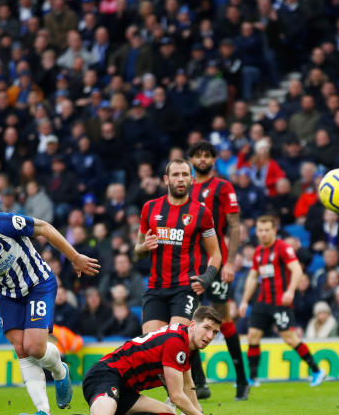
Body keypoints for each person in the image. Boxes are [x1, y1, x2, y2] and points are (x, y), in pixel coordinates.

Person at [0, 198, 101, 415]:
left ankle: (60, 370)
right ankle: (44, 414)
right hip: (8, 294)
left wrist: (74, 257)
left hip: (39, 283)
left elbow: (44, 228)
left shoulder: (2, 222)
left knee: (35, 347)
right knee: (21, 348)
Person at [11, 306, 233, 415]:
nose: (209, 336)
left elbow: (188, 385)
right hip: (106, 375)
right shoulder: (177, 342)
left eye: (214, 332)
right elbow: (176, 395)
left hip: (125, 387)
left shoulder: (186, 342)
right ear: (193, 325)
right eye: (206, 328)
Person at [187, 141, 249, 400]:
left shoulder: (223, 187)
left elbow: (234, 226)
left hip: (216, 260)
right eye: (198, 156)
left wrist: (231, 261)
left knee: (223, 319)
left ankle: (242, 380)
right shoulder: (185, 187)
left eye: (207, 156)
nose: (202, 159)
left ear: (213, 160)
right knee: (187, 321)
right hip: (190, 264)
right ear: (191, 159)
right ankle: (200, 384)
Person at [135, 158, 222, 341]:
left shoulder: (201, 212)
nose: (180, 179)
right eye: (175, 175)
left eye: (184, 175)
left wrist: (207, 278)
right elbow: (138, 250)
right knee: (151, 347)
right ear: (166, 180)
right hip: (155, 288)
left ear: (192, 179)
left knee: (176, 343)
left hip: (185, 289)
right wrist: (144, 247)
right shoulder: (150, 208)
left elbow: (215, 254)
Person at [238, 215, 327, 387]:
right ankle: (253, 378)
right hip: (262, 302)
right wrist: (244, 301)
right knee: (253, 336)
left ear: (274, 231)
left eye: (266, 230)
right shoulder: (258, 252)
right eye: (260, 230)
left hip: (280, 302)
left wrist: (291, 291)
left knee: (290, 338)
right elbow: (252, 277)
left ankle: (317, 371)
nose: (263, 234)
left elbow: (297, 270)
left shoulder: (283, 248)